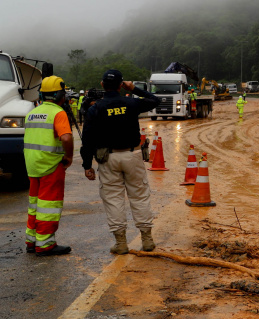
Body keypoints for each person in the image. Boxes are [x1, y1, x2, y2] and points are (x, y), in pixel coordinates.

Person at [80, 69, 160, 255]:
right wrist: (134, 89)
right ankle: (147, 240)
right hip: (132, 155)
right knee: (139, 196)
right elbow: (155, 101)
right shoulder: (131, 102)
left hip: (108, 159)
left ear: (102, 85)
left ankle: (121, 243)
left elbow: (87, 140)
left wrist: (87, 166)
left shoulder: (96, 108)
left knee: (113, 199)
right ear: (121, 85)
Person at [24, 76, 74, 256]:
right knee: (48, 206)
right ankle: (45, 245)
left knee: (35, 205)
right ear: (60, 94)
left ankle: (31, 241)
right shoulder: (58, 113)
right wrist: (68, 156)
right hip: (51, 165)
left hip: (33, 165)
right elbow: (66, 137)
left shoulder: (32, 113)